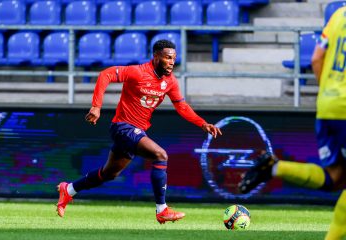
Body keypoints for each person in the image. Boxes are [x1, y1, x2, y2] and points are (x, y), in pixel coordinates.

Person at [56, 40, 222, 224]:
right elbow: (106, 74)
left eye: (174, 58)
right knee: (160, 155)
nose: (172, 62)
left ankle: (69, 189)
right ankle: (162, 210)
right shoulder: (137, 72)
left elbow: (181, 106)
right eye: (168, 58)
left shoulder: (170, 82)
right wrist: (96, 106)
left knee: (109, 174)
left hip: (135, 131)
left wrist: (202, 124)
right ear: (156, 56)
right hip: (123, 127)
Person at [239, 7, 346, 240]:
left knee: (336, 177)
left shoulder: (339, 15)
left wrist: (329, 92)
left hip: (328, 104)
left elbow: (317, 58)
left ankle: (274, 167)